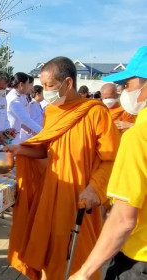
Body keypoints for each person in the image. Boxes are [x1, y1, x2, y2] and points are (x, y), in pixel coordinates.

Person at [4, 56, 120, 280]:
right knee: (49, 252)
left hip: (79, 198)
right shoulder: (52, 112)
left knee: (75, 255)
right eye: (43, 86)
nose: (45, 91)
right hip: (51, 194)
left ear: (68, 83)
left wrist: (95, 188)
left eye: (50, 86)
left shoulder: (95, 112)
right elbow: (47, 151)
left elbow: (111, 159)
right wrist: (20, 150)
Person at [69, 46, 147, 280]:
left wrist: (84, 272)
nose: (123, 91)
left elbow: (123, 221)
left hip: (139, 257)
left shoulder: (139, 135)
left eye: (128, 85)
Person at [6, 72, 42, 144]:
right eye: (28, 84)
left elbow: (21, 120)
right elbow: (25, 119)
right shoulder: (14, 99)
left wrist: (27, 128)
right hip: (10, 136)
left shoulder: (20, 96)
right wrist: (43, 132)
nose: (30, 87)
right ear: (21, 85)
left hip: (15, 134)